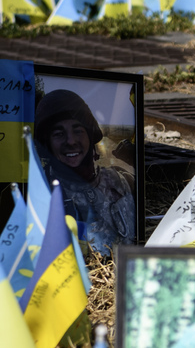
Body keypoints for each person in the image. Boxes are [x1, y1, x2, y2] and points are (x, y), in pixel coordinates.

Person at [34, 89, 136, 255]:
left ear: (90, 135)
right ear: (47, 144)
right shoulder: (41, 196)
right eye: (59, 134)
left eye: (78, 130)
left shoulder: (121, 181)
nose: (71, 141)